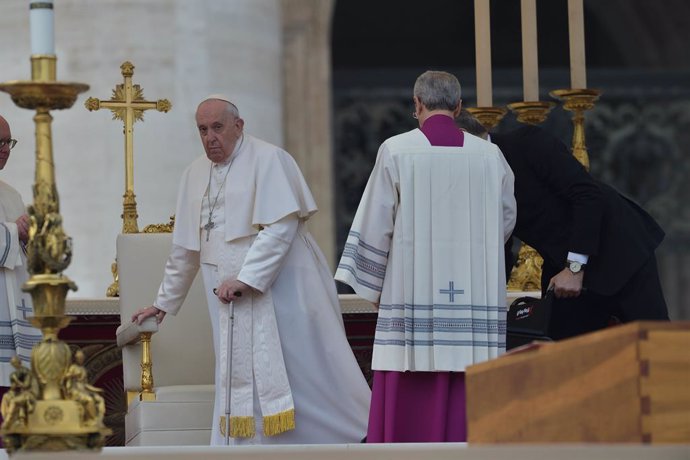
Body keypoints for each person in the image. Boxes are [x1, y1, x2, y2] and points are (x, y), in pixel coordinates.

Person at [133, 96, 370, 445]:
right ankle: (245, 446)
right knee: (235, 371)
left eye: (217, 127)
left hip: (282, 284)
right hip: (224, 289)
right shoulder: (193, 173)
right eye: (202, 129)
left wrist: (248, 278)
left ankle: (340, 439)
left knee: (303, 368)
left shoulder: (270, 159)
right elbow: (185, 249)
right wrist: (163, 303)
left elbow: (281, 227)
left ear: (238, 126)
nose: (210, 137)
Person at [335, 71, 516, 442]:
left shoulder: (397, 149)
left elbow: (376, 221)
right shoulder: (490, 155)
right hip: (474, 298)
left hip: (412, 296)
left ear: (416, 104)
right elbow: (506, 217)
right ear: (459, 106)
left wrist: (374, 285)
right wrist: (477, 255)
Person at [456, 110, 669, 340]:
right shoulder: (476, 181)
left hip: (619, 251)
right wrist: (492, 302)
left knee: (658, 346)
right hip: (561, 264)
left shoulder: (526, 142)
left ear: (463, 135)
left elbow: (587, 195)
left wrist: (575, 268)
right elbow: (501, 242)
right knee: (561, 354)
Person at [0, 115, 42, 389]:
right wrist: (14, 232)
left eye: (8, 142)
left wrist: (33, 234)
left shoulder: (11, 195)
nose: (5, 149)